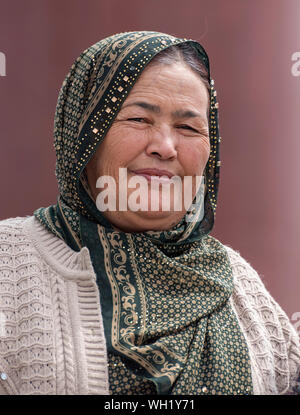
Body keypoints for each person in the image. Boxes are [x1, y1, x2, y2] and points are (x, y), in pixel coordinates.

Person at [0, 31, 299, 395]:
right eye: (139, 119)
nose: (165, 147)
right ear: (81, 136)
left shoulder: (241, 288)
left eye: (188, 127)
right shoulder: (8, 266)